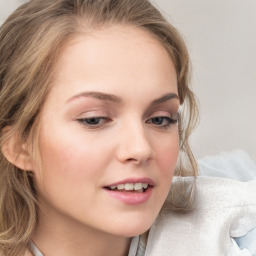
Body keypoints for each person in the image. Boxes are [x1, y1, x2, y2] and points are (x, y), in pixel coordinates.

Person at [0, 1, 255, 256]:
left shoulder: (235, 230)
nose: (140, 148)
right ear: (18, 145)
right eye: (94, 119)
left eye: (160, 119)